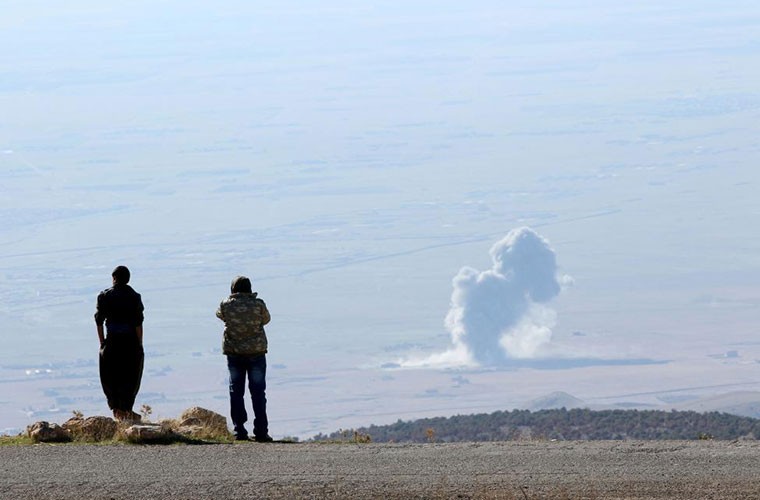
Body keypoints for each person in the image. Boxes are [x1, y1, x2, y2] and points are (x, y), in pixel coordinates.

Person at [216, 275, 273, 442]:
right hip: (256, 353)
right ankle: (261, 431)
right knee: (258, 393)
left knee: (236, 392)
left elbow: (220, 315)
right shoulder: (258, 304)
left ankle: (239, 430)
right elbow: (266, 319)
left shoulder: (226, 304)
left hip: (234, 354)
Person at [94, 265, 145, 422]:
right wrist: (139, 344)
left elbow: (98, 321)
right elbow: (138, 323)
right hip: (130, 342)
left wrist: (102, 342)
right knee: (131, 375)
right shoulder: (134, 296)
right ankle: (126, 409)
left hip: (112, 341)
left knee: (110, 376)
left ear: (113, 278)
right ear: (128, 279)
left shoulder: (104, 296)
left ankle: (117, 408)